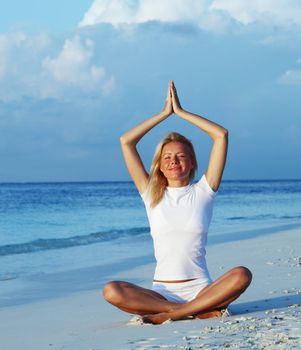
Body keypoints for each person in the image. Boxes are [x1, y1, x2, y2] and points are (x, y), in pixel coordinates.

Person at [102, 81, 252, 324]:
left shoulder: (204, 190)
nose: (174, 161)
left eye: (181, 156)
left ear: (192, 163)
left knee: (242, 275)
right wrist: (164, 114)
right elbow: (126, 141)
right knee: (111, 289)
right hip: (160, 293)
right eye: (167, 157)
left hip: (202, 290)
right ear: (160, 165)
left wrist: (181, 113)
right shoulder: (151, 193)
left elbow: (220, 135)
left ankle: (175, 314)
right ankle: (188, 311)